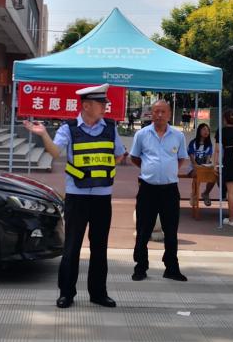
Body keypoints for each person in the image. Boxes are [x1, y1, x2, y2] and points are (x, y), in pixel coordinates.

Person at [24, 84, 124, 309]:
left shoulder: (110, 127)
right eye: (101, 103)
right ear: (86, 106)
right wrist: (43, 134)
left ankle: (98, 293)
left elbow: (118, 154)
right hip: (77, 196)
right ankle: (66, 293)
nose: (105, 107)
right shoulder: (68, 129)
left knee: (100, 247)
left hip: (102, 196)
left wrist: (101, 170)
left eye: (105, 103)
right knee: (72, 246)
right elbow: (55, 152)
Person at [129, 99, 189, 282]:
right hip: (148, 189)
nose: (160, 115)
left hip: (170, 190)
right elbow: (135, 158)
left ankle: (171, 267)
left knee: (171, 230)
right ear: (151, 114)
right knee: (143, 230)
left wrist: (167, 170)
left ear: (169, 114)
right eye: (156, 111)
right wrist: (150, 168)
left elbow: (181, 158)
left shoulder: (178, 136)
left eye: (163, 112)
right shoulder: (142, 134)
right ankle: (140, 267)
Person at [188, 123, 216, 206]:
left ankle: (206, 193)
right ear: (199, 131)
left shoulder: (209, 144)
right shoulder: (193, 143)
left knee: (215, 175)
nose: (206, 132)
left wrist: (205, 167)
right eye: (204, 129)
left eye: (208, 130)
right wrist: (197, 166)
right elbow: (192, 158)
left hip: (204, 167)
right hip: (194, 167)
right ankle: (194, 194)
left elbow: (208, 159)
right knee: (197, 174)